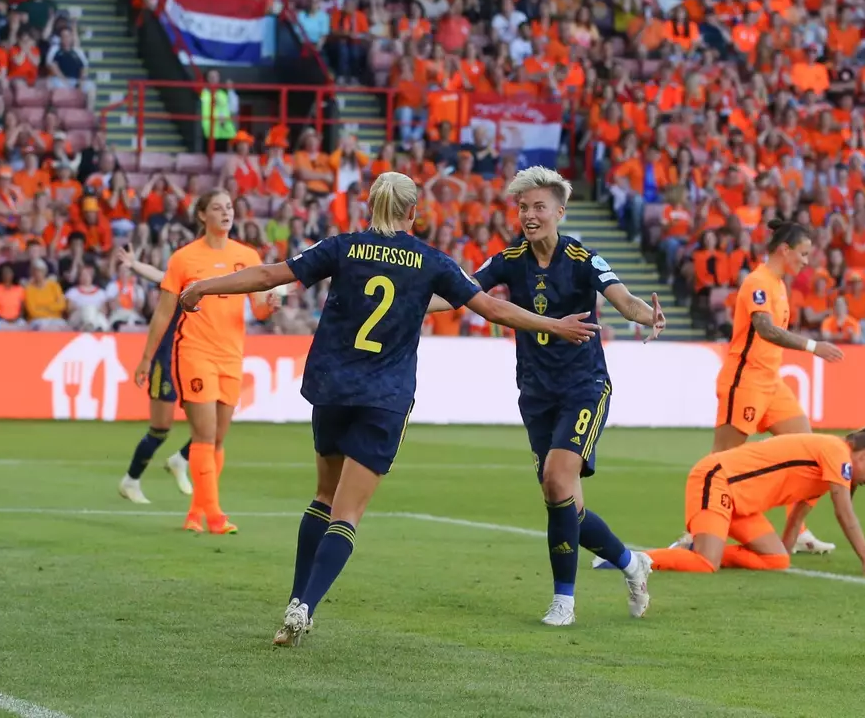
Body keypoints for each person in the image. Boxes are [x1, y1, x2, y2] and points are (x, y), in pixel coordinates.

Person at [175, 172, 599, 646]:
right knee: (347, 514)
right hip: (385, 397)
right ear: (413, 213)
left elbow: (271, 274)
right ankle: (305, 606)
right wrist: (553, 325)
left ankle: (295, 599)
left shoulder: (343, 246)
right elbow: (493, 309)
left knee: (322, 496)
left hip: (333, 388)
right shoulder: (431, 261)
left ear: (370, 207)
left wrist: (205, 287)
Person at [464, 167, 665, 627]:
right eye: (523, 207)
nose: (529, 215)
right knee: (565, 503)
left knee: (557, 480)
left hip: (584, 387)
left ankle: (564, 601)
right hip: (535, 392)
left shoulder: (582, 257)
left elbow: (623, 299)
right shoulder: (510, 258)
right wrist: (414, 296)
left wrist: (645, 316)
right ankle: (631, 563)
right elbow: (464, 292)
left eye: (538, 207)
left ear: (559, 211)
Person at [131, 190, 277, 534]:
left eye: (229, 207)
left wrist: (269, 305)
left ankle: (194, 514)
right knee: (205, 434)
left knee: (219, 439)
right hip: (194, 352)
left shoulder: (248, 255)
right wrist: (146, 358)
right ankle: (215, 515)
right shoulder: (184, 258)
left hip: (231, 355)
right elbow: (164, 313)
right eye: (217, 207)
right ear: (201, 215)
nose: (226, 212)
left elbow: (257, 308)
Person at [712, 220, 845, 554]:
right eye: (802, 254)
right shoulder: (758, 282)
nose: (805, 261)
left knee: (809, 451)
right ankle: (698, 528)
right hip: (745, 381)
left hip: (772, 383)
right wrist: (814, 347)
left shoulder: (778, 284)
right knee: (720, 462)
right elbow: (765, 329)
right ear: (784, 250)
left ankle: (796, 531)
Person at [643, 429, 865, 575]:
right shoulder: (836, 452)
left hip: (739, 502)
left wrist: (784, 554)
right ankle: (626, 559)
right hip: (718, 479)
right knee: (707, 563)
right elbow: (844, 513)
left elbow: (797, 517)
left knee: (777, 560)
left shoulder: (827, 473)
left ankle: (688, 550)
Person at [115, 243, 193, 504]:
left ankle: (181, 459)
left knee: (216, 419)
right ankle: (131, 480)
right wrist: (135, 265)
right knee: (161, 428)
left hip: (196, 356)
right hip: (167, 357)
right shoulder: (184, 278)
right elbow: (159, 275)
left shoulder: (220, 277)